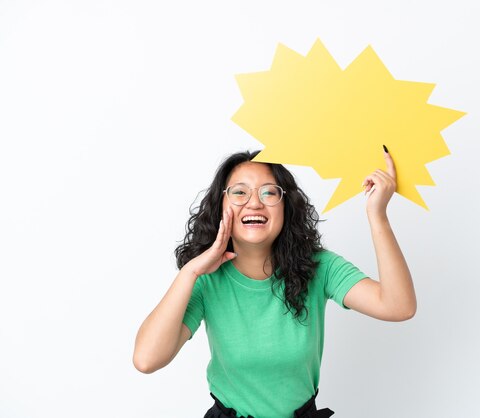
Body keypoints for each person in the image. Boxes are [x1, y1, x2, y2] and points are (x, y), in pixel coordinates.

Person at [133, 147, 416, 418]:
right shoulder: (206, 281)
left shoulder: (320, 267)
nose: (254, 202)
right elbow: (146, 360)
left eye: (269, 192)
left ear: (287, 206)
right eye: (239, 192)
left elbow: (398, 307)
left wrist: (377, 215)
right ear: (221, 206)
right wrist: (190, 272)